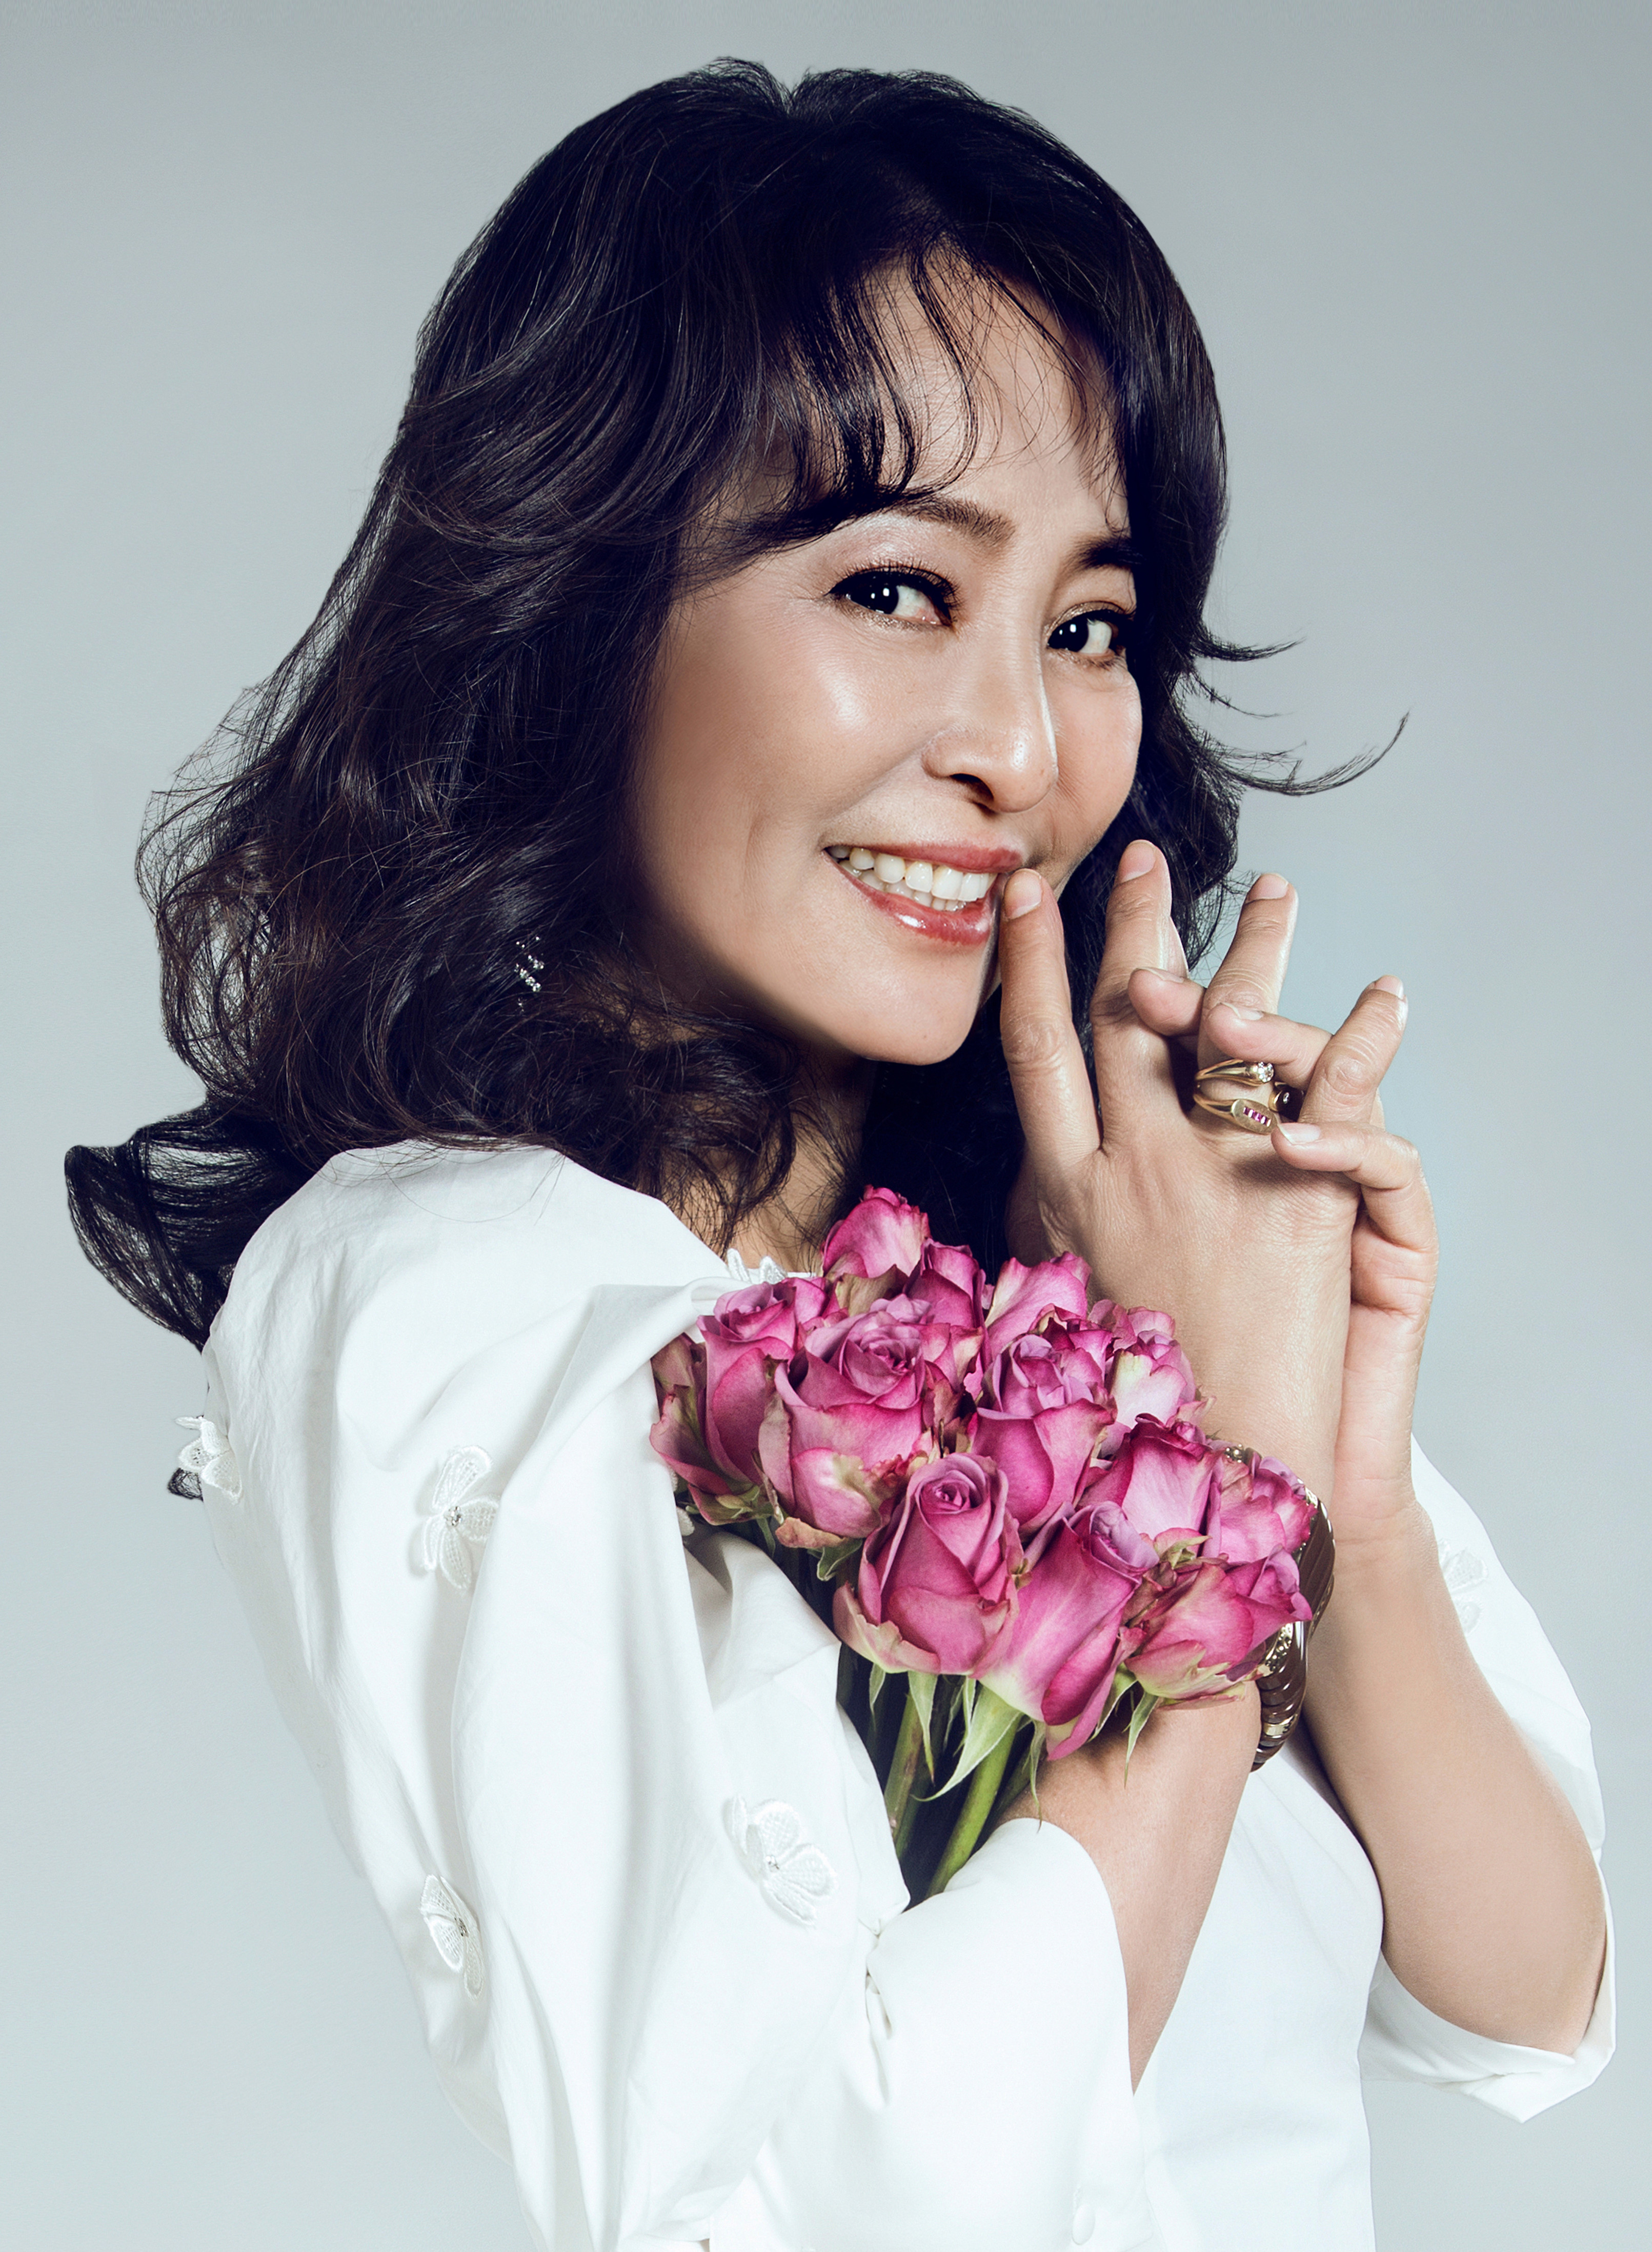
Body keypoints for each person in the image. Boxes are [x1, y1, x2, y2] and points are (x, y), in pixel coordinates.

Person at [67, 62, 1610, 2252]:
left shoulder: (1085, 1259)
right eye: (894, 590)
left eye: (1085, 626)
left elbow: (1529, 2003)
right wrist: (1224, 1520)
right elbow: (810, 2210)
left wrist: (1328, 1483)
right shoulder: (445, 1293)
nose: (1018, 748)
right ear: (582, 611)